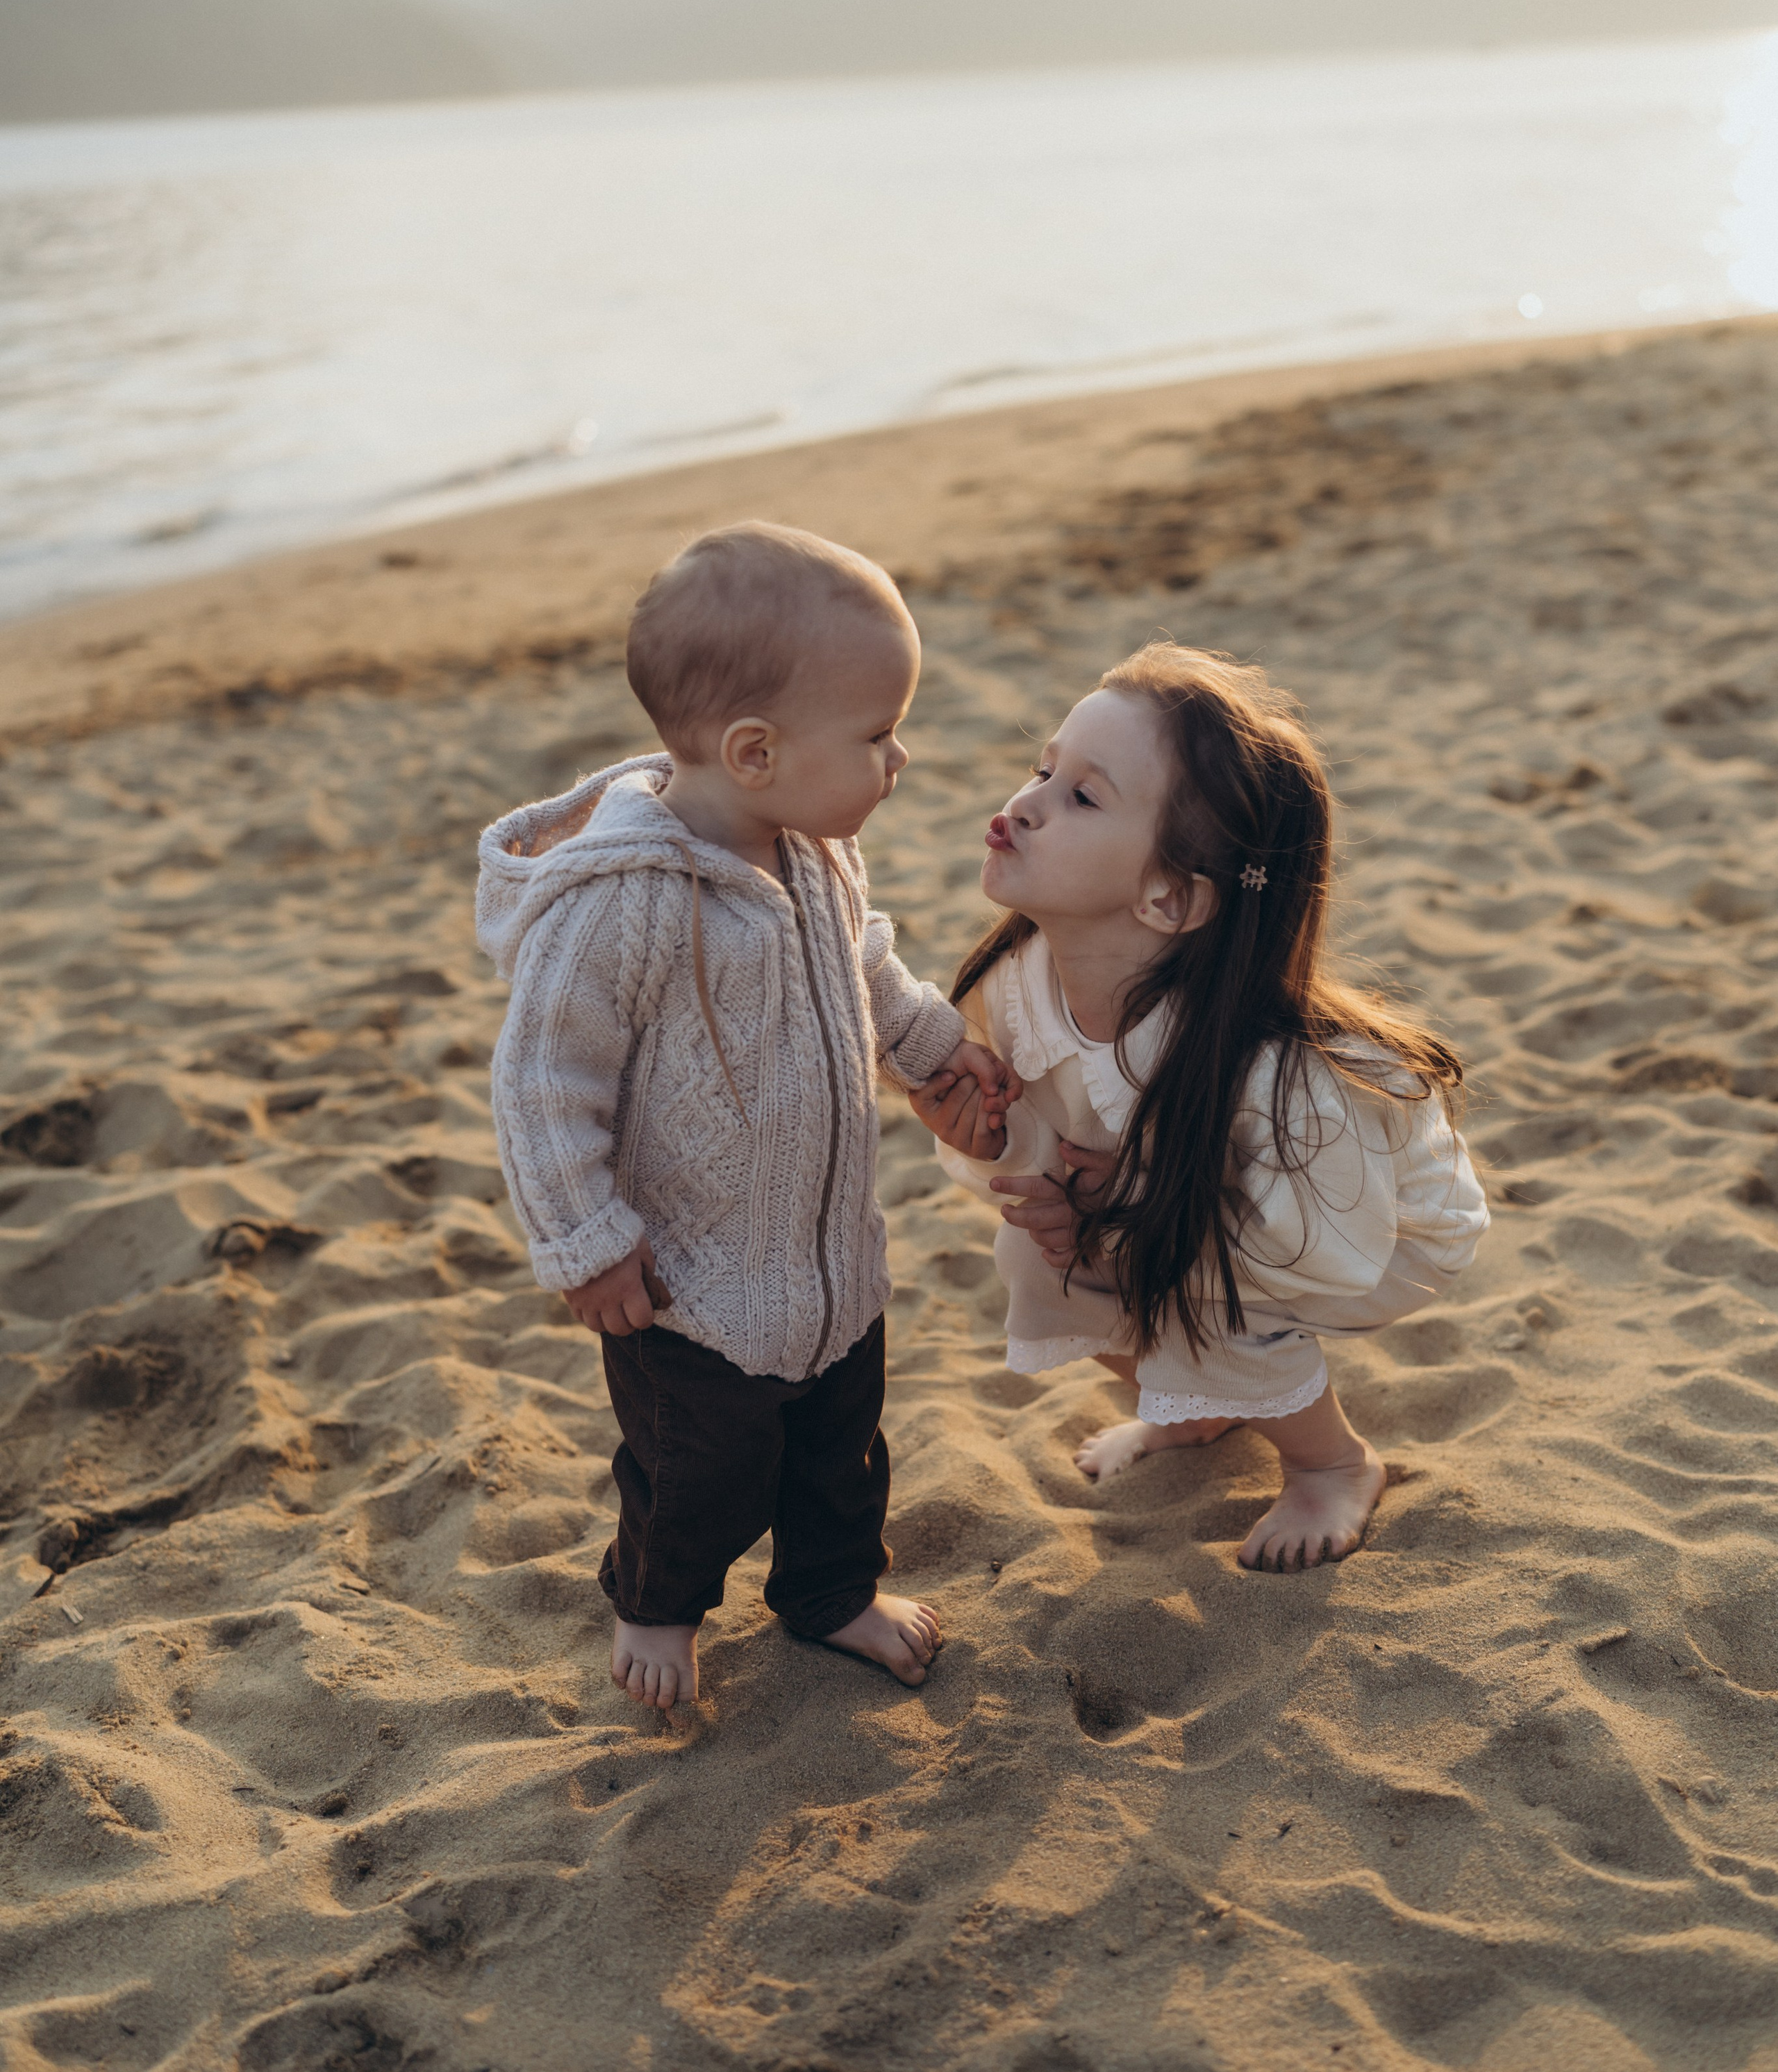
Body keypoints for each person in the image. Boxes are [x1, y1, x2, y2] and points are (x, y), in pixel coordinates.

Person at [476, 522, 1017, 1709]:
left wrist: (930, 1049)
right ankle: (660, 1607)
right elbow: (540, 1082)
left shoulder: (815, 855)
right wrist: (586, 1241)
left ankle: (831, 1594)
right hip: (686, 1285)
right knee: (696, 1471)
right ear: (756, 751)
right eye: (876, 736)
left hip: (825, 1263)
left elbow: (862, 969)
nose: (900, 758)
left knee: (840, 1451)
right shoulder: (621, 908)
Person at [910, 642, 1486, 1571]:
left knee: (1201, 1288)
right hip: (1184, 1210)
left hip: (1363, 1228)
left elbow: (1301, 1242)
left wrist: (1123, 1211)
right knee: (1033, 1257)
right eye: (1043, 768)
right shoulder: (1018, 984)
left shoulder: (1269, 1074)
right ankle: (1203, 1403)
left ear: (1171, 898)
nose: (1027, 803)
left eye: (1082, 797)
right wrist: (1003, 1145)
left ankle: (1333, 1461)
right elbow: (1040, 1132)